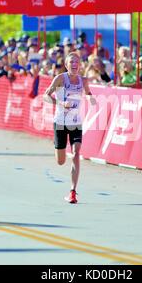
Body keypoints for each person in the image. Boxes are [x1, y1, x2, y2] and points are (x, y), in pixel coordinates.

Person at [43, 52, 96, 204]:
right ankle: (59, 149)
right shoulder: (60, 78)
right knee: (60, 161)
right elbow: (46, 96)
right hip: (60, 122)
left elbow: (88, 92)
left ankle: (73, 191)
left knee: (76, 152)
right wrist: (59, 104)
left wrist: (91, 98)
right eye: (71, 62)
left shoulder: (83, 80)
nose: (74, 64)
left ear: (80, 65)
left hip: (75, 122)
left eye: (77, 62)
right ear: (67, 65)